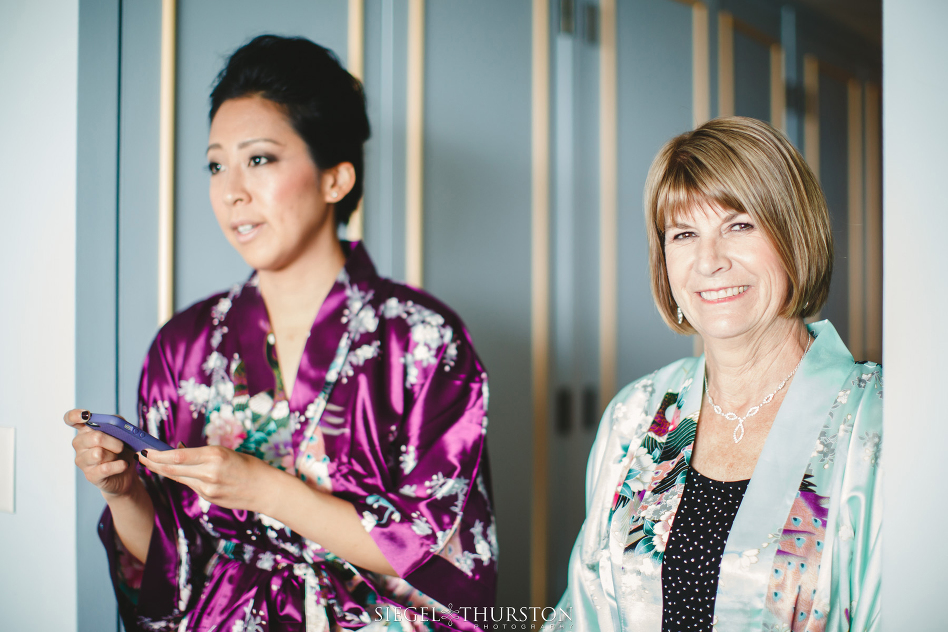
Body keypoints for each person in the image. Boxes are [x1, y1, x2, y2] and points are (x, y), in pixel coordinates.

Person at [65, 35, 496, 632]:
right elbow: (166, 561)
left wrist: (264, 489)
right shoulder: (183, 347)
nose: (231, 189)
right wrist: (123, 493)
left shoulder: (422, 340)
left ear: (335, 179)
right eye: (216, 164)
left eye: (259, 158)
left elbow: (441, 547)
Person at [552, 117, 881, 631]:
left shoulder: (879, 422)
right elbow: (586, 608)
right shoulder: (636, 415)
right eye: (684, 234)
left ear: (794, 235)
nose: (709, 261)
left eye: (739, 225)